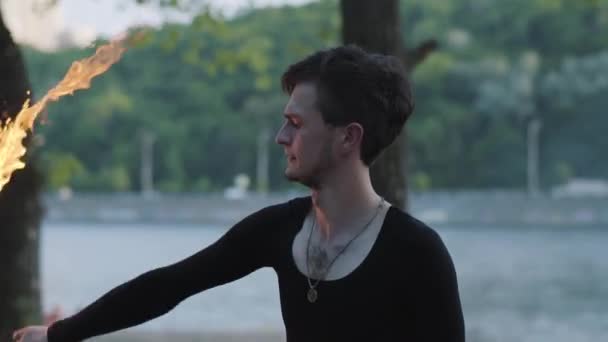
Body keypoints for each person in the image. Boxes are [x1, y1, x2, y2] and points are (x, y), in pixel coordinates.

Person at [13, 45, 465, 342]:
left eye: (296, 124)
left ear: (348, 138)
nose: (280, 137)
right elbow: (170, 285)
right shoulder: (280, 229)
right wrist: (57, 335)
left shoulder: (416, 253)